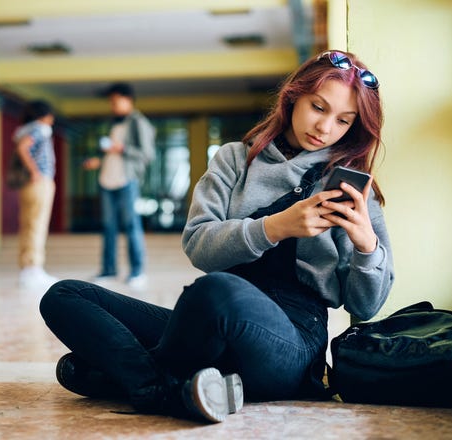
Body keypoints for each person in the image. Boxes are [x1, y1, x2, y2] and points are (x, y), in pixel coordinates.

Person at [40, 50, 394, 423]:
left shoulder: (348, 187)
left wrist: (366, 246)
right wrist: (277, 226)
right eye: (318, 107)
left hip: (288, 342)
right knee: (64, 295)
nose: (325, 128)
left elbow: (365, 307)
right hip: (210, 322)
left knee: (214, 292)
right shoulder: (233, 159)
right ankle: (161, 388)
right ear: (293, 97)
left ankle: (132, 378)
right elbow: (198, 245)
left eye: (343, 121)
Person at [83, 82, 156, 289]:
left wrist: (122, 148)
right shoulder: (113, 123)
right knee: (108, 227)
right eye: (111, 102)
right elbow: (108, 153)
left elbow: (147, 154)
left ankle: (137, 271)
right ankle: (108, 270)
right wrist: (97, 160)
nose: (112, 105)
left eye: (116, 101)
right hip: (106, 180)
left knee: (132, 225)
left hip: (127, 181)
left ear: (128, 99)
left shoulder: (139, 122)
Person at [14, 100, 58, 289]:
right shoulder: (41, 129)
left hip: (27, 185)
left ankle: (27, 268)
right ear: (45, 115)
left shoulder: (23, 130)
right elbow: (23, 147)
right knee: (37, 225)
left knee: (28, 224)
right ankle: (34, 268)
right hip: (40, 182)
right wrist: (35, 171)